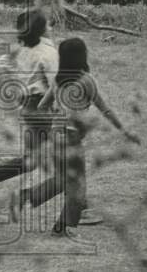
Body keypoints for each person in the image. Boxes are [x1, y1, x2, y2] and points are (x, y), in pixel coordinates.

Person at [15, 37, 140, 235]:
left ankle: (30, 199)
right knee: (76, 186)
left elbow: (41, 106)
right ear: (82, 57)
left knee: (65, 180)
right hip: (72, 139)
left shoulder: (58, 79)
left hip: (56, 136)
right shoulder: (87, 80)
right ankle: (55, 223)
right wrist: (124, 130)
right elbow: (105, 109)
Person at [0, 9, 58, 185]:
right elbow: (55, 84)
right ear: (41, 28)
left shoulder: (20, 48)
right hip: (42, 106)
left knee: (33, 160)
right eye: (47, 23)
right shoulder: (48, 51)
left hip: (28, 106)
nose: (50, 25)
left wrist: (18, 86)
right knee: (58, 154)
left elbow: (2, 64)